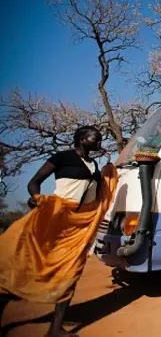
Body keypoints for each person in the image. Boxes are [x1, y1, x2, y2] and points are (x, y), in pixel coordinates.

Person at [0, 126, 116, 337]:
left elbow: (96, 190)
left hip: (78, 225)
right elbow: (34, 182)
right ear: (82, 138)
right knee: (26, 266)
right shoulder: (62, 157)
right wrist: (37, 199)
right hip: (56, 220)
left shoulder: (93, 164)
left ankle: (56, 328)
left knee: (71, 271)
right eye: (95, 138)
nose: (100, 142)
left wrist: (108, 173)